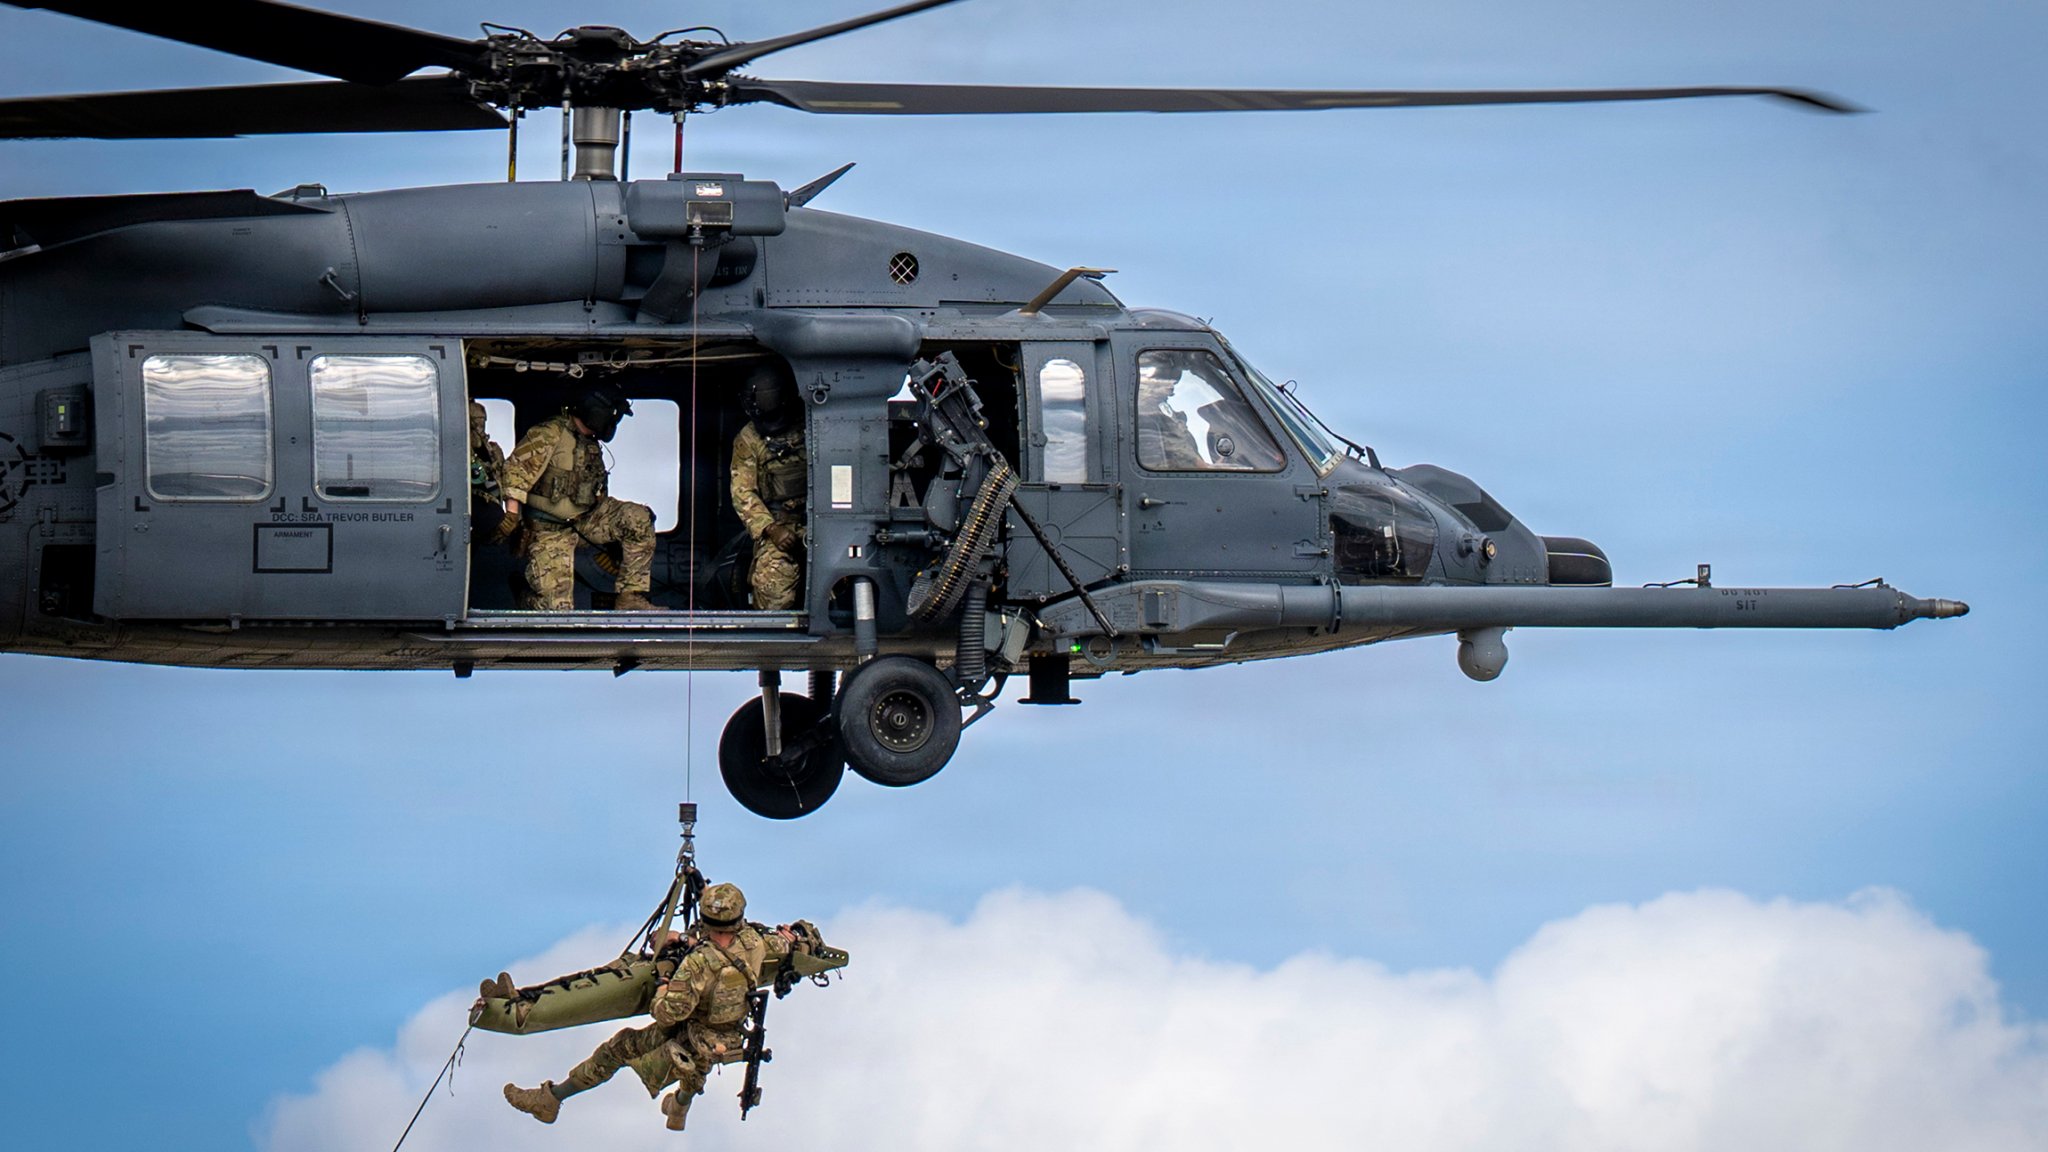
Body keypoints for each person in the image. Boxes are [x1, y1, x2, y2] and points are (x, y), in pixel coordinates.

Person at [501, 883, 818, 1133]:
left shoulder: (696, 964)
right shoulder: (755, 942)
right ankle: (678, 1109)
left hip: (693, 1036)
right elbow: (782, 942)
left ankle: (550, 1100)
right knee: (696, 1066)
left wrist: (665, 984)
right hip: (730, 1035)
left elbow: (667, 1013)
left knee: (618, 1048)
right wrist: (796, 934)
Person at [500, 385, 664, 611]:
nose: (613, 423)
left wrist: (615, 534)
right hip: (548, 530)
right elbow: (515, 472)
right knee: (556, 612)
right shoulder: (550, 433)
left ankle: (630, 597)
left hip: (585, 521)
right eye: (612, 416)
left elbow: (596, 490)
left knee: (638, 518)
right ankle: (524, 598)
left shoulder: (589, 443)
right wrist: (511, 517)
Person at [729, 361, 807, 610]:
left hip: (824, 524)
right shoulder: (749, 438)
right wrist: (772, 530)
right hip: (780, 526)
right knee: (771, 583)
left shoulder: (812, 423)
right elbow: (742, 492)